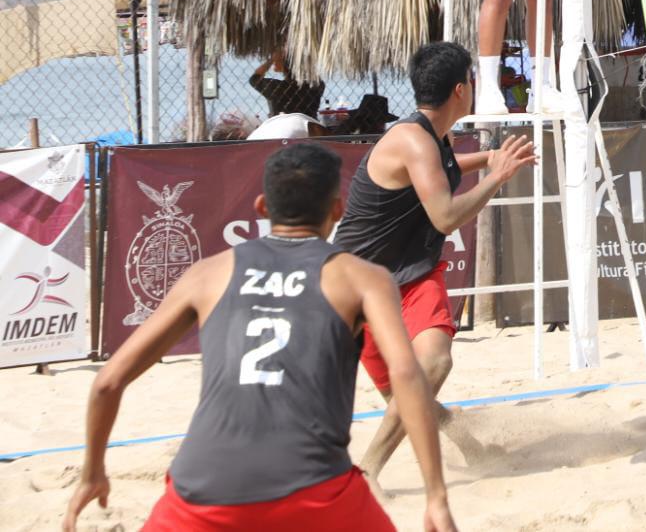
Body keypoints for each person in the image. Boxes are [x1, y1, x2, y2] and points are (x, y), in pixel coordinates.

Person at [62, 143, 456, 532]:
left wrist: (93, 471)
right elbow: (406, 376)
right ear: (338, 210)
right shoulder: (362, 277)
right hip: (314, 488)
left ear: (262, 208)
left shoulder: (207, 274)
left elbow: (107, 382)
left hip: (202, 491)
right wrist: (436, 495)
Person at [332, 42, 536, 485]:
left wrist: (488, 158)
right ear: (461, 89)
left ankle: (367, 473)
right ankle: (470, 443)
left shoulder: (430, 136)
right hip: (360, 286)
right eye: (475, 79)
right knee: (405, 395)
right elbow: (444, 215)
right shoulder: (413, 139)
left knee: (432, 368)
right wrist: (497, 177)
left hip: (410, 277)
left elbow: (440, 167)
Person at [250, 48, 325, 117]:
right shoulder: (315, 87)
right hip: (309, 125)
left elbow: (254, 79)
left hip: (282, 126)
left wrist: (271, 60)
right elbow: (317, 79)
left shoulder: (277, 88)